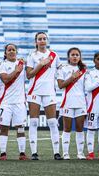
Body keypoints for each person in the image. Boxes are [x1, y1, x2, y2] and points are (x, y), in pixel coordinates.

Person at [26, 32, 62, 160]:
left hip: (50, 92)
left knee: (52, 122)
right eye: (39, 39)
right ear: (36, 41)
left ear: (47, 40)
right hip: (34, 91)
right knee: (34, 122)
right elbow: (29, 75)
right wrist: (40, 64)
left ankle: (57, 153)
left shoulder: (54, 55)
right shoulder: (32, 55)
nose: (42, 41)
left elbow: (60, 70)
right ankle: (34, 153)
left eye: (44, 39)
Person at [0, 43, 27, 160]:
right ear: (5, 53)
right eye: (9, 50)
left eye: (13, 50)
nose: (11, 52)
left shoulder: (22, 64)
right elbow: (5, 79)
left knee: (20, 128)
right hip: (5, 101)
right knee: (4, 127)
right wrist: (16, 71)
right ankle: (3, 153)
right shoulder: (2, 65)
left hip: (20, 102)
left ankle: (22, 153)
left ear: (16, 52)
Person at [57, 47, 87, 160]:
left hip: (81, 102)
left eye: (77, 55)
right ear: (68, 56)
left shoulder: (84, 70)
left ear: (80, 57)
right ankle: (65, 153)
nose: (75, 57)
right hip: (67, 102)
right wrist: (72, 77)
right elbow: (60, 85)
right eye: (73, 55)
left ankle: (80, 153)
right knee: (67, 128)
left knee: (80, 128)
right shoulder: (63, 68)